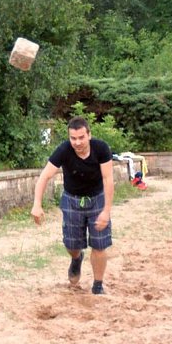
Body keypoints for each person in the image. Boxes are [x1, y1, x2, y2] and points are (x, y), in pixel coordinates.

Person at [31, 116, 114, 295]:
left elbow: (108, 179)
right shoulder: (63, 150)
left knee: (99, 244)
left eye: (81, 137)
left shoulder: (101, 149)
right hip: (72, 200)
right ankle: (76, 258)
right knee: (72, 244)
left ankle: (98, 286)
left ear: (89, 135)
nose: (77, 142)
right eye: (73, 138)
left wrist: (106, 211)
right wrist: (37, 204)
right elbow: (44, 176)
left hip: (97, 199)